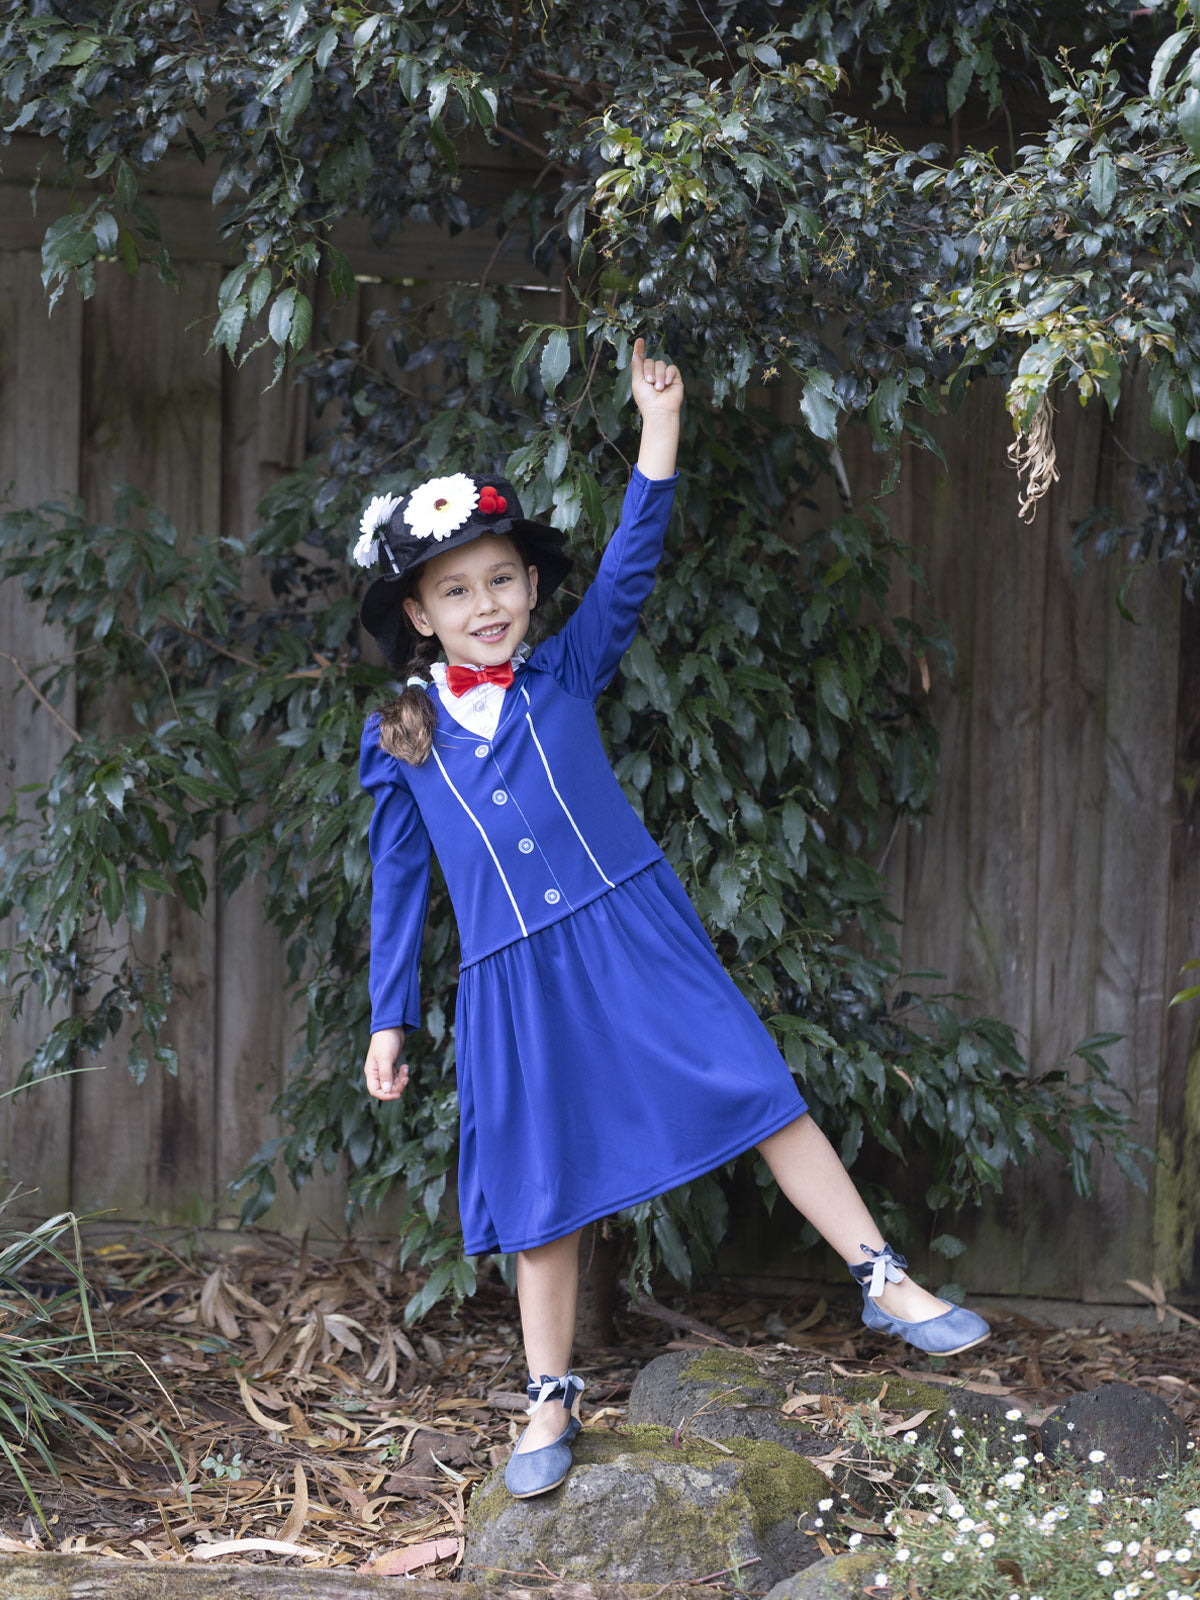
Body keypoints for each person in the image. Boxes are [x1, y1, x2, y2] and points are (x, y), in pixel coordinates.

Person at [356, 338, 989, 1500]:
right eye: (457, 590)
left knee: (757, 1086)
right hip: (512, 976)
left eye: (503, 580)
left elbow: (634, 562)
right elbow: (399, 882)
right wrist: (388, 1019)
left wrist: (661, 423)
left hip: (630, 930)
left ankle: (883, 1273)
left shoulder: (566, 669)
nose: (486, 605)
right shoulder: (400, 734)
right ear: (419, 613)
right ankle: (549, 1397)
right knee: (544, 1192)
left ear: (531, 589)